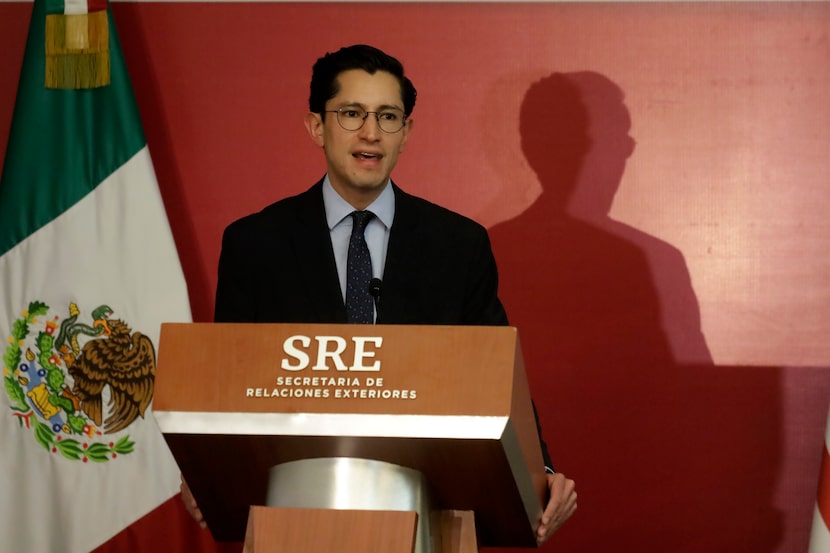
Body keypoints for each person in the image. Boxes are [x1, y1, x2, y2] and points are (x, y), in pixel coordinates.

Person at [182, 44, 576, 545]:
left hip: (430, 515)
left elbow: (495, 375)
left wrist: (539, 472)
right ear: (316, 126)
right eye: (352, 114)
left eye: (388, 117)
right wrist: (208, 470)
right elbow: (228, 385)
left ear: (406, 133)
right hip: (296, 515)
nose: (371, 133)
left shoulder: (458, 245)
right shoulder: (256, 243)